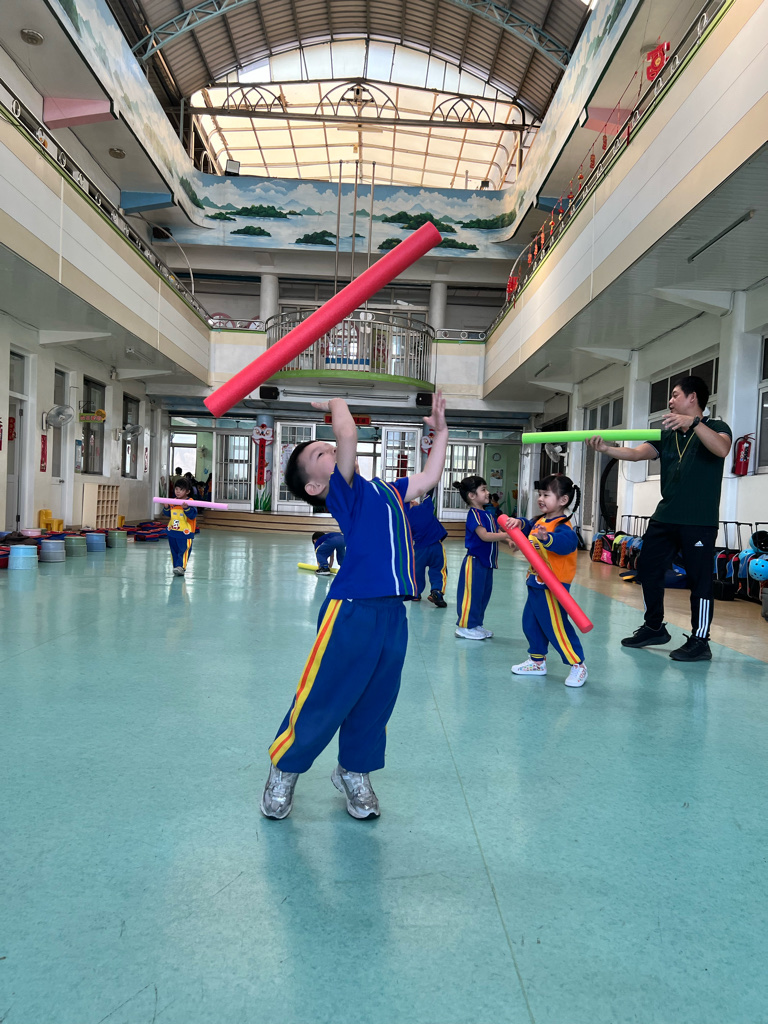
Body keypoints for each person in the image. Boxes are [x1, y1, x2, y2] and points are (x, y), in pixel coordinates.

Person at [260, 391, 448, 821]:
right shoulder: (344, 495)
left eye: (328, 446)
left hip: (393, 615)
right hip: (351, 613)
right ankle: (285, 766)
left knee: (376, 701)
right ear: (316, 487)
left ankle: (353, 770)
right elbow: (347, 433)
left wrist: (441, 432)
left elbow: (429, 476)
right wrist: (336, 402)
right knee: (325, 696)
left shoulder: (387, 490)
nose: (332, 448)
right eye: (321, 453)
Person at [587, 374, 732, 661]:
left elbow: (722, 448)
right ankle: (654, 626)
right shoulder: (667, 435)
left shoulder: (716, 427)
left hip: (698, 521)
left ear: (693, 397)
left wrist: (695, 423)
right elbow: (636, 453)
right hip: (665, 517)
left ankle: (700, 641)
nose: (670, 401)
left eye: (675, 395)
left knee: (700, 580)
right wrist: (607, 449)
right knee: (647, 569)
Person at [505, 474, 588, 687]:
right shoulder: (540, 521)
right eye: (539, 494)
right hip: (536, 582)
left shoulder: (563, 526)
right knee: (531, 622)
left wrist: (546, 538)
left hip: (553, 585)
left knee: (555, 626)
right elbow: (528, 527)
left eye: (546, 495)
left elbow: (566, 544)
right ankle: (537, 661)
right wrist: (519, 524)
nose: (540, 499)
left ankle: (577, 664)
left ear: (563, 500)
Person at [453, 475, 513, 640]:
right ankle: (465, 626)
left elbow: (495, 532)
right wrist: (506, 535)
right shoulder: (474, 515)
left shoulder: (487, 514)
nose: (487, 493)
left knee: (482, 595)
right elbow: (485, 536)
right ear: (472, 495)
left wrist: (507, 540)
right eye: (483, 490)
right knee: (471, 595)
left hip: (486, 563)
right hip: (475, 562)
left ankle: (476, 624)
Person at [406, 490, 448, 607]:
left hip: (419, 549)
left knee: (417, 572)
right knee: (439, 569)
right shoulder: (425, 507)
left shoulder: (405, 517)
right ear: (412, 502)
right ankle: (437, 591)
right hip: (436, 546)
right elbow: (429, 492)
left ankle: (416, 593)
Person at [160, 478, 197, 577]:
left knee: (184, 550)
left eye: (181, 489)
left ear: (187, 491)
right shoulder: (173, 501)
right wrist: (166, 507)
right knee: (174, 551)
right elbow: (168, 514)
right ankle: (176, 567)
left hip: (185, 532)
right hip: (173, 531)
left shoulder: (190, 501)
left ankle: (181, 567)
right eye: (176, 489)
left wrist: (186, 508)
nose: (178, 491)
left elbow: (193, 515)